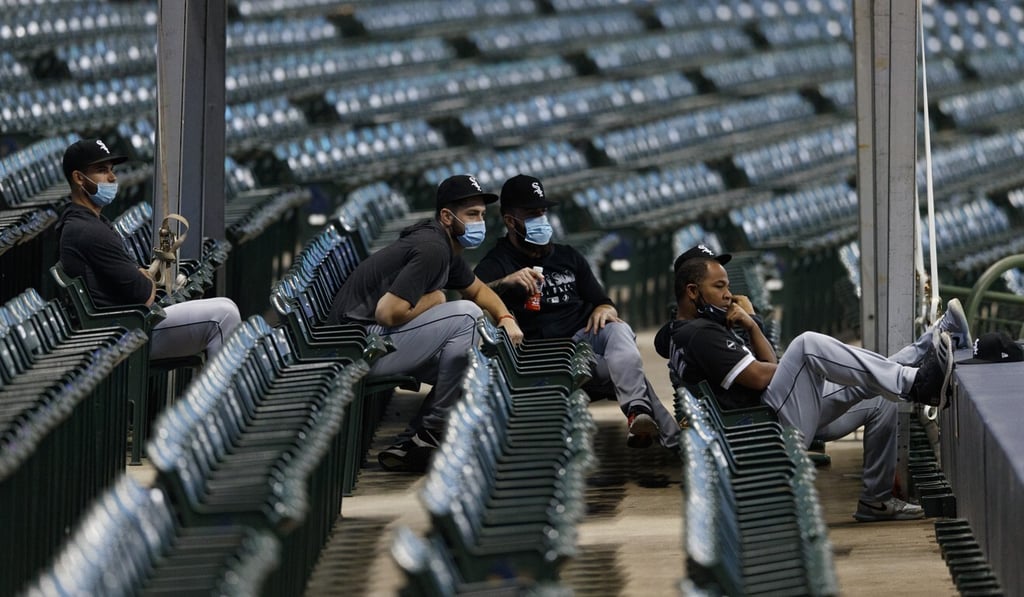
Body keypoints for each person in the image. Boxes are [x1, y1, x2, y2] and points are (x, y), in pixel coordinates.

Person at [655, 244, 969, 522]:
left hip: (766, 419)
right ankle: (918, 379)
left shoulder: (686, 330)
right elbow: (765, 375)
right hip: (765, 430)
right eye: (719, 286)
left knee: (878, 396)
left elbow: (770, 369)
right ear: (692, 290)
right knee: (807, 346)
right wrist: (806, 368)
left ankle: (876, 501)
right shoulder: (700, 334)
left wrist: (752, 326)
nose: (729, 294)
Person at [326, 174, 524, 472]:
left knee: (470, 365)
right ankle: (433, 430)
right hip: (354, 347)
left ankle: (415, 443)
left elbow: (479, 289)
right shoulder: (432, 247)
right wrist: (436, 300)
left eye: (482, 215)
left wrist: (506, 317)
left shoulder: (445, 245)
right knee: (466, 317)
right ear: (447, 216)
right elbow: (387, 312)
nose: (479, 222)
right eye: (471, 214)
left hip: (370, 341)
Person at [473, 174, 678, 450]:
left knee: (618, 329)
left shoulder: (567, 255)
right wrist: (506, 283)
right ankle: (664, 432)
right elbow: (475, 295)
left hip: (587, 335)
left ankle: (645, 417)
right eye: (533, 215)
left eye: (543, 213)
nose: (542, 221)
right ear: (510, 221)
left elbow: (602, 300)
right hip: (553, 353)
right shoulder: (498, 261)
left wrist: (604, 309)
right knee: (625, 370)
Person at [56, 138, 241, 361]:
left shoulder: (87, 222)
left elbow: (138, 281)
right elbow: (143, 293)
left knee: (226, 306)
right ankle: (220, 395)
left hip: (128, 324)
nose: (112, 177)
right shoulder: (87, 230)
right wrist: (145, 279)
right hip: (126, 334)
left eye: (112, 170)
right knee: (224, 316)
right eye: (102, 170)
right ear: (78, 178)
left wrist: (142, 278)